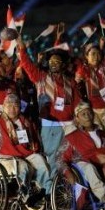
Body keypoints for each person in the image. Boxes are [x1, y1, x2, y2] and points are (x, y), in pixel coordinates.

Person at [18, 37, 81, 179]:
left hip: (70, 125)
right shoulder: (40, 77)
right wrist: (22, 48)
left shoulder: (70, 81)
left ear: (63, 64)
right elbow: (27, 64)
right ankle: (51, 190)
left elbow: (78, 102)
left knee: (71, 156)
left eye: (57, 61)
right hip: (50, 125)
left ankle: (68, 188)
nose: (54, 63)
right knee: (53, 157)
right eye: (51, 61)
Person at [55, 101, 105, 202]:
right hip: (83, 165)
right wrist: (68, 173)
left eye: (89, 113)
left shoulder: (102, 133)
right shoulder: (72, 137)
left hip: (103, 164)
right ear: (77, 119)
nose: (87, 116)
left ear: (93, 114)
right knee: (90, 168)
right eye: (83, 114)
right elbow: (59, 158)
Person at [75, 20, 105, 135]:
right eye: (92, 54)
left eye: (98, 53)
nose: (96, 56)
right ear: (86, 56)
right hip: (93, 112)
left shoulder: (104, 66)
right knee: (99, 137)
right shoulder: (84, 70)